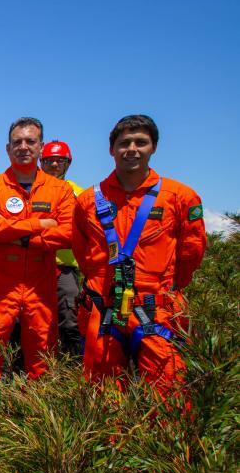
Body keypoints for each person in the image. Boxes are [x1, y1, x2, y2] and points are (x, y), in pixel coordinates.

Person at [73, 114, 206, 398]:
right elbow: (81, 250)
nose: (132, 149)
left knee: (169, 398)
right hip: (104, 309)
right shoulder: (87, 201)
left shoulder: (179, 197)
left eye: (141, 142)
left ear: (153, 147)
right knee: (103, 399)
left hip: (157, 310)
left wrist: (165, 288)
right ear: (112, 149)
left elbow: (191, 252)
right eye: (124, 143)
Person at [0, 117, 75, 384]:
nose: (23, 146)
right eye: (17, 142)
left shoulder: (61, 191)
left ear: (41, 147)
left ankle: (36, 413)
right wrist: (40, 224)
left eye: (30, 141)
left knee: (43, 351)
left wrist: (20, 236)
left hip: (40, 284)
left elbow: (69, 232)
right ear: (7, 149)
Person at [40, 141, 84, 357]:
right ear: (41, 162)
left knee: (70, 318)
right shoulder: (32, 190)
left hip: (64, 268)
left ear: (68, 163)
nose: (55, 164)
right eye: (49, 160)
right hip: (35, 266)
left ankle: (74, 367)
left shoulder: (78, 193)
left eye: (60, 160)